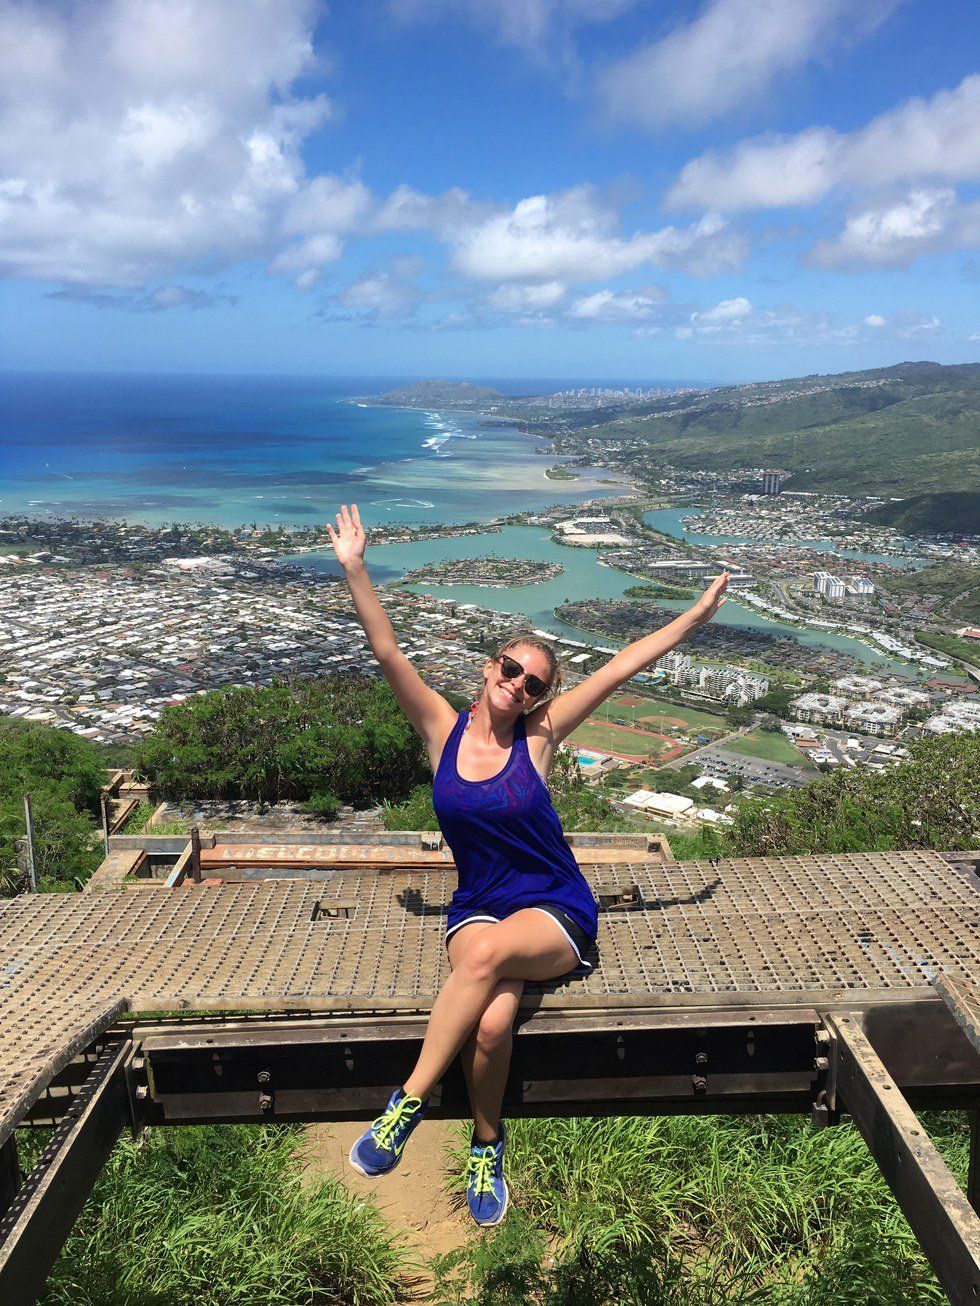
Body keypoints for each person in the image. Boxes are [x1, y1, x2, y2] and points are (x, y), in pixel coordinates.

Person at [326, 504, 728, 1226]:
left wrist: (695, 617)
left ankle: (404, 1105)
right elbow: (389, 653)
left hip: (551, 905)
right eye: (511, 670)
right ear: (489, 669)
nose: (519, 685)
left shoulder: (538, 740)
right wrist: (355, 567)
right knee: (488, 1024)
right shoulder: (441, 731)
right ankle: (488, 1143)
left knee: (481, 962)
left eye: (534, 683)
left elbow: (624, 663)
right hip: (478, 902)